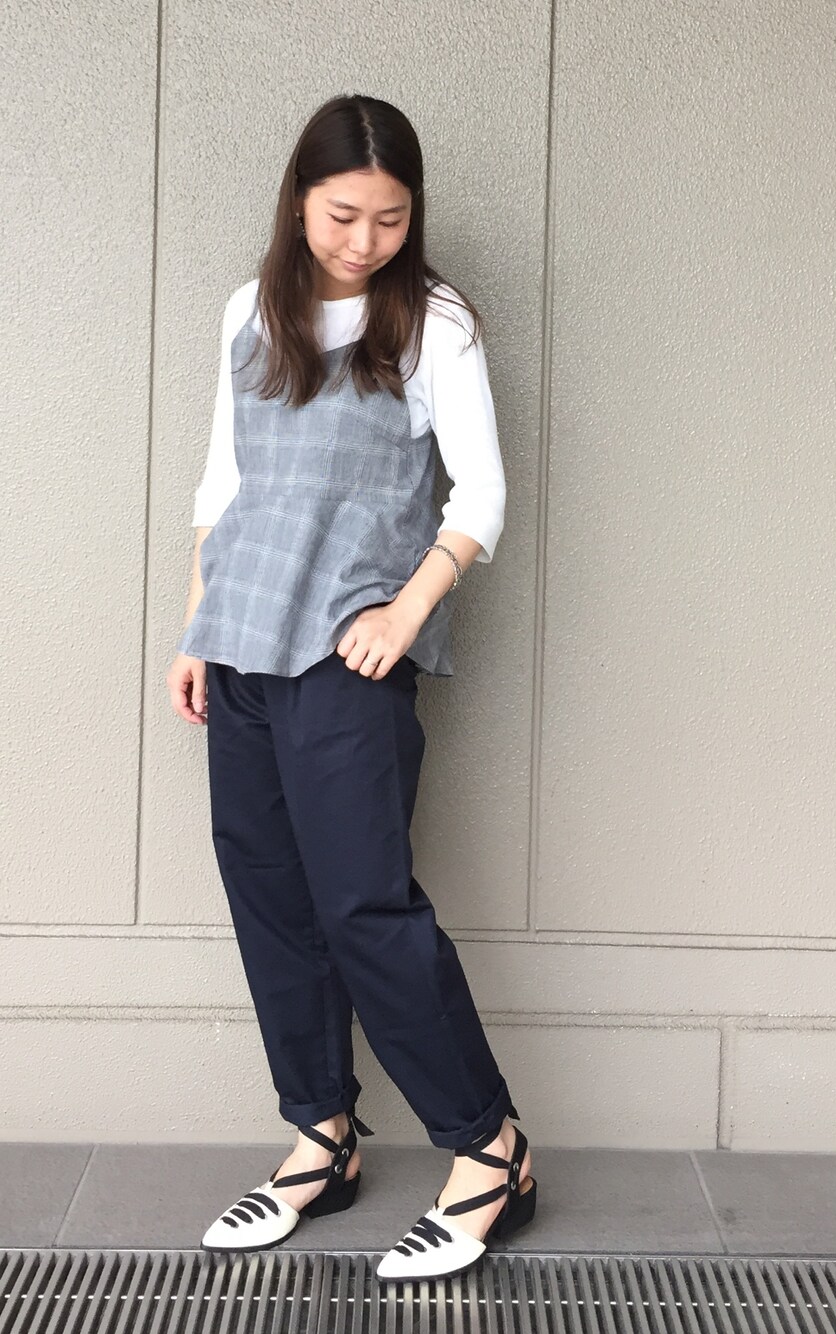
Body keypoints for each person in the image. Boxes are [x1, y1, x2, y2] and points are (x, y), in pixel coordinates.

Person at [165, 94, 537, 1281]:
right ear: (298, 202)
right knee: (269, 895)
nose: (364, 239)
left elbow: (479, 493)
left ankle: (490, 1148)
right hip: (241, 641)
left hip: (344, 653)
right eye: (341, 214)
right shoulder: (249, 309)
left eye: (388, 217)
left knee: (364, 904)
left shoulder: (432, 321)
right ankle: (322, 1137)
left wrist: (404, 613)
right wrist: (196, 626)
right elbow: (223, 484)